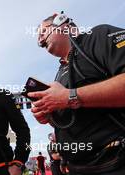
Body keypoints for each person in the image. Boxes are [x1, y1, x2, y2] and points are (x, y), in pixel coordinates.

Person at [29, 12, 125, 175]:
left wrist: (69, 96)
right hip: (75, 168)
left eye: (43, 32)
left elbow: (71, 98)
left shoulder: (99, 35)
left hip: (114, 162)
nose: (40, 41)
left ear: (60, 21)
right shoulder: (59, 75)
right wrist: (50, 115)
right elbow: (74, 116)